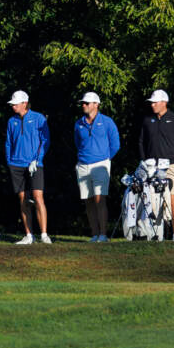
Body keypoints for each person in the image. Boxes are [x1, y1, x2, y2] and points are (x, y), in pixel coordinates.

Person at [138, 89, 174, 240]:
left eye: (155, 102)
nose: (152, 105)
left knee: (173, 198)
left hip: (171, 166)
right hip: (151, 167)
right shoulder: (147, 120)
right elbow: (141, 142)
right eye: (152, 102)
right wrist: (143, 160)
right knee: (151, 200)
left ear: (164, 102)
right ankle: (154, 234)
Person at [3, 90, 51, 244]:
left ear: (24, 103)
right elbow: (9, 142)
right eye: (12, 104)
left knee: (37, 197)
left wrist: (37, 160)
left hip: (35, 164)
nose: (13, 106)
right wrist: (10, 161)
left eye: (15, 104)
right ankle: (29, 235)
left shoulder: (38, 118)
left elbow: (45, 141)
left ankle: (44, 235)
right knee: (23, 199)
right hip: (16, 165)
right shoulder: (12, 121)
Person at [73, 92, 120, 242]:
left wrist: (104, 158)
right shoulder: (79, 123)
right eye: (83, 103)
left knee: (100, 199)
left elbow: (115, 144)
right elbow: (78, 143)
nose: (83, 105)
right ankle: (94, 234)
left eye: (86, 103)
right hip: (82, 165)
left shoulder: (107, 122)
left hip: (101, 164)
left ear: (96, 104)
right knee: (88, 200)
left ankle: (103, 235)